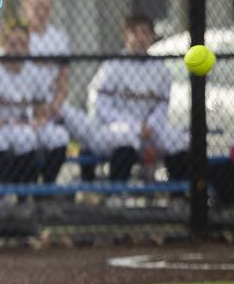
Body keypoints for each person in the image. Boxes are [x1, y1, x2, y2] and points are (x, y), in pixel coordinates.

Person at [60, 14, 189, 185]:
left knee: (179, 140)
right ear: (126, 37)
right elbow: (98, 105)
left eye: (145, 33)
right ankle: (116, 193)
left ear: (152, 37)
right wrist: (135, 126)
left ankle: (177, 195)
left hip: (151, 131)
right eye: (134, 33)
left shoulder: (161, 70)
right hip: (116, 130)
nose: (140, 38)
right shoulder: (113, 66)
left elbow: (161, 106)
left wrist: (150, 126)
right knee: (126, 140)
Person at [0, 21, 68, 190]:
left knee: (58, 136)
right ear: (3, 44)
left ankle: (43, 189)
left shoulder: (33, 71)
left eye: (22, 44)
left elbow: (39, 107)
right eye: (12, 43)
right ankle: (1, 194)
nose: (17, 48)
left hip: (21, 123)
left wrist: (40, 120)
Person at [21, 0, 70, 120]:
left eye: (46, 8)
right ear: (25, 7)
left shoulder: (60, 38)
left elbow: (64, 80)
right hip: (24, 100)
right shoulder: (17, 37)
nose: (41, 13)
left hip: (53, 101)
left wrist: (55, 105)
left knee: (84, 126)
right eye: (37, 8)